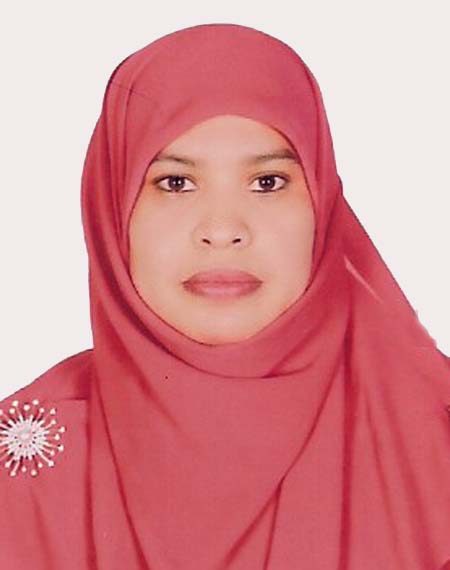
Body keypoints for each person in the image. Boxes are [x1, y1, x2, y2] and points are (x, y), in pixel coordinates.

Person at [1, 22, 450, 570]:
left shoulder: (433, 437)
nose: (222, 229)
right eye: (175, 183)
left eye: (267, 182)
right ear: (112, 210)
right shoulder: (25, 462)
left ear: (322, 205)